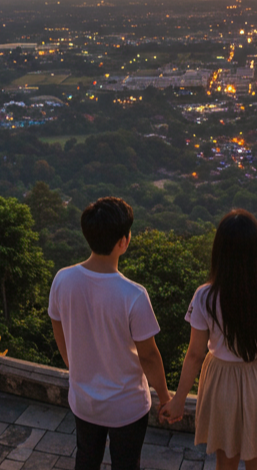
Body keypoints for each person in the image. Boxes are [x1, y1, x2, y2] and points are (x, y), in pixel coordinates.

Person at [162, 209, 257, 470]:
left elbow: (195, 354)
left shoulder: (205, 296)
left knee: (225, 460)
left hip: (220, 380)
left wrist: (179, 399)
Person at [48, 196, 171, 470]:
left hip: (84, 399)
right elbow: (149, 355)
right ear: (123, 241)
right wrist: (165, 397)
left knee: (86, 459)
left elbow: (59, 329)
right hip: (127, 405)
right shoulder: (134, 295)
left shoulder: (63, 280)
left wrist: (75, 367)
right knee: (127, 464)